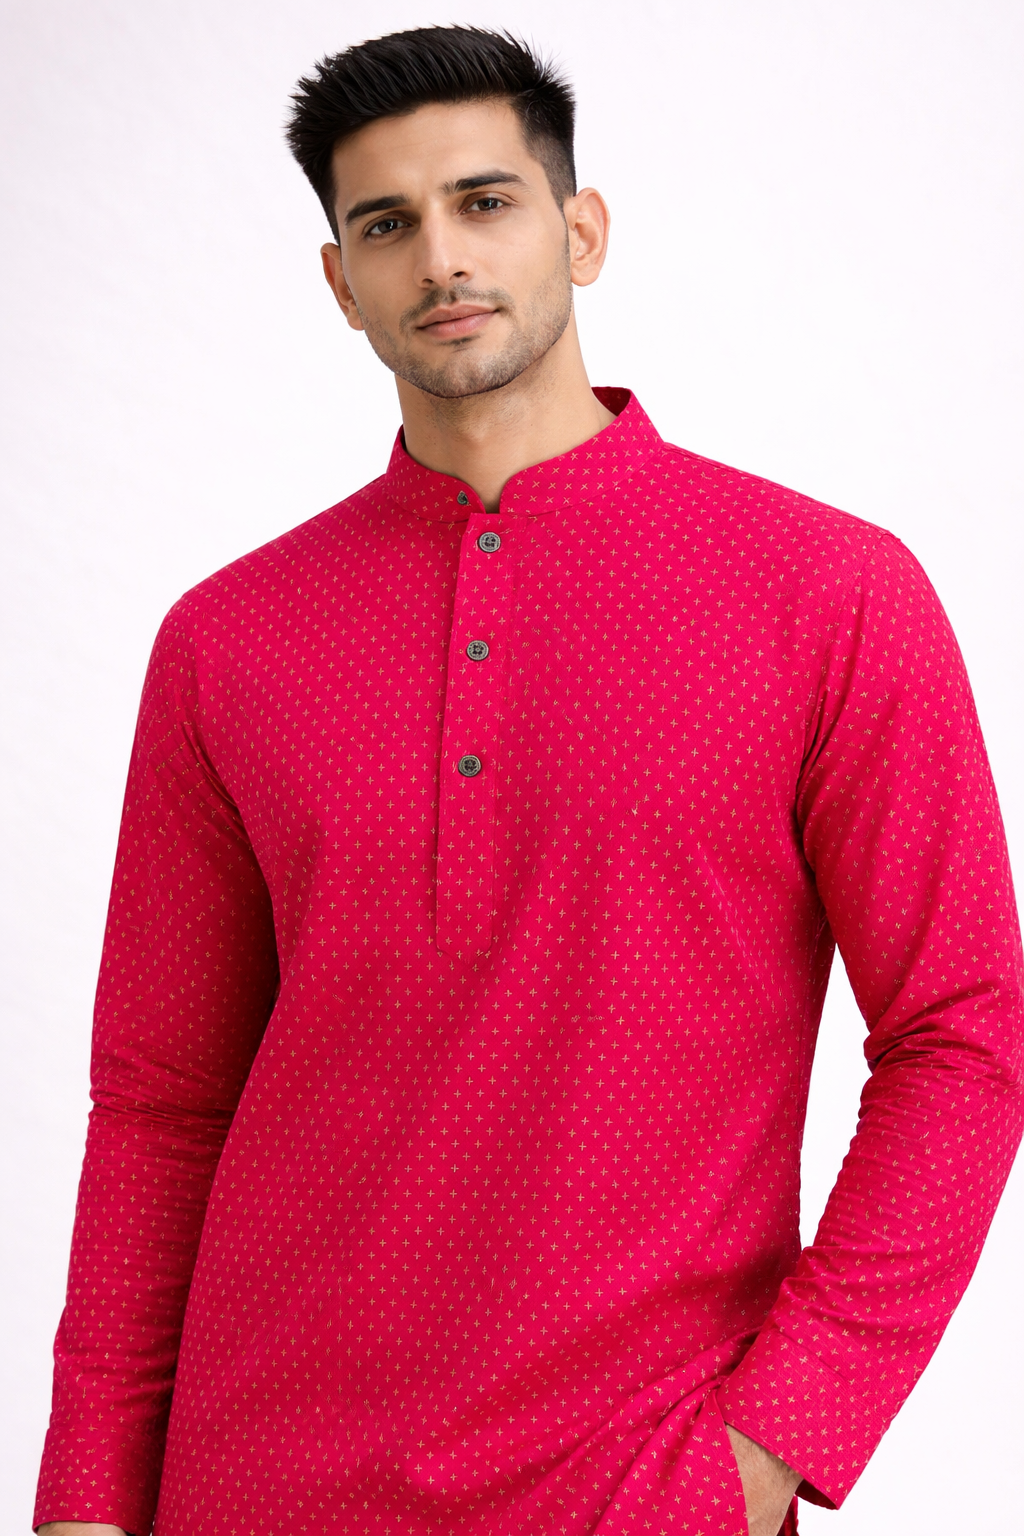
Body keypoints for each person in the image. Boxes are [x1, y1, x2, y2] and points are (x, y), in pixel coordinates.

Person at [34, 24, 1022, 1536]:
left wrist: (772, 1444)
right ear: (340, 282)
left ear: (582, 230)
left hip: (636, 1492)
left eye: (484, 202)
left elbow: (966, 1036)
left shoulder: (828, 595)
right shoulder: (228, 641)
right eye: (386, 224)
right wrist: (88, 1497)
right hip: (249, 1485)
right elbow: (162, 1105)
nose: (441, 256)